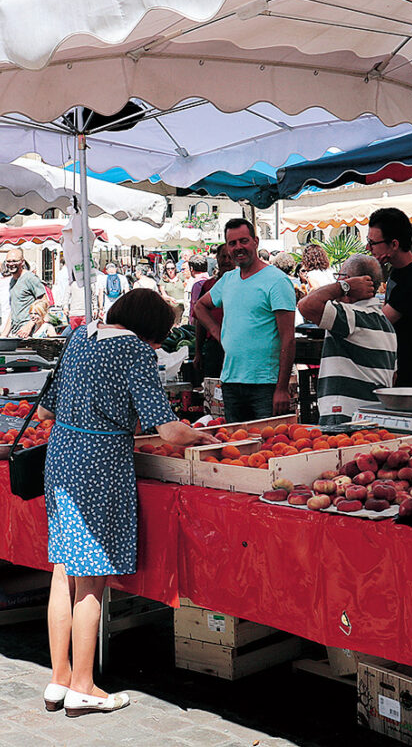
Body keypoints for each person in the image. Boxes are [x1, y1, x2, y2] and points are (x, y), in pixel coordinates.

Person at [42, 289, 212, 717]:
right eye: (159, 338)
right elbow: (169, 431)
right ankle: (83, 685)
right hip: (99, 465)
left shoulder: (78, 335)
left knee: (63, 571)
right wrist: (201, 436)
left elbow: (46, 411)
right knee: (92, 579)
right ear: (149, 330)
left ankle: (58, 679)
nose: (157, 346)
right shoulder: (134, 350)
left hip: (60, 455)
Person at [193, 219, 297, 420]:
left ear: (256, 242)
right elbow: (200, 307)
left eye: (244, 241)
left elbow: (288, 338)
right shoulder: (228, 280)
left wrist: (282, 388)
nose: (238, 247)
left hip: (266, 385)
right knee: (237, 445)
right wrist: (219, 334)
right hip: (231, 381)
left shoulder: (277, 280)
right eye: (232, 243)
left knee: (268, 447)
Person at [297, 254, 397, 421]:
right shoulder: (385, 323)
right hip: (372, 415)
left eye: (340, 277)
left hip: (344, 415)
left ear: (352, 282)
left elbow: (306, 306)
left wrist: (343, 286)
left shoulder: (352, 316)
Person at [367, 208, 412, 389]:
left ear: (394, 244)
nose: (369, 248)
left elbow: (379, 323)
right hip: (393, 372)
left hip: (404, 379)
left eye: (373, 243)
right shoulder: (397, 273)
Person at [191, 246, 232, 380]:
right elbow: (200, 320)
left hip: (236, 345)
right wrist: (198, 351)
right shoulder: (208, 286)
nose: (227, 260)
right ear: (217, 259)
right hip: (214, 346)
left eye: (230, 257)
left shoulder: (245, 285)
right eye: (223, 256)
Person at [6, 250, 48, 332]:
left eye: (14, 261)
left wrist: (29, 325)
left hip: (30, 331)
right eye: (8, 261)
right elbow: (13, 311)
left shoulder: (30, 278)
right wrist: (4, 334)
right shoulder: (12, 281)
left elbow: (44, 302)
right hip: (16, 331)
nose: (11, 264)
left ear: (22, 262)